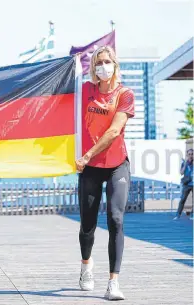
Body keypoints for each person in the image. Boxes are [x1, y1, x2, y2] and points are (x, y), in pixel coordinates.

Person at [75, 46, 135, 301]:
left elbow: (113, 131)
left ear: (115, 65)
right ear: (93, 68)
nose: (103, 66)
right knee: (88, 224)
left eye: (107, 61)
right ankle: (86, 266)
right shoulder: (85, 91)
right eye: (99, 63)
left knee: (116, 219)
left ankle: (113, 282)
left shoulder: (125, 94)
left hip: (116, 165)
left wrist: (88, 154)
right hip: (89, 169)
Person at [173, 148, 193, 220]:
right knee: (182, 199)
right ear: (187, 155)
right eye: (189, 154)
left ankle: (192, 214)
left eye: (192, 154)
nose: (191, 156)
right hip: (187, 184)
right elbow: (181, 173)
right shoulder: (184, 163)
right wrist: (185, 165)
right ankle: (177, 215)